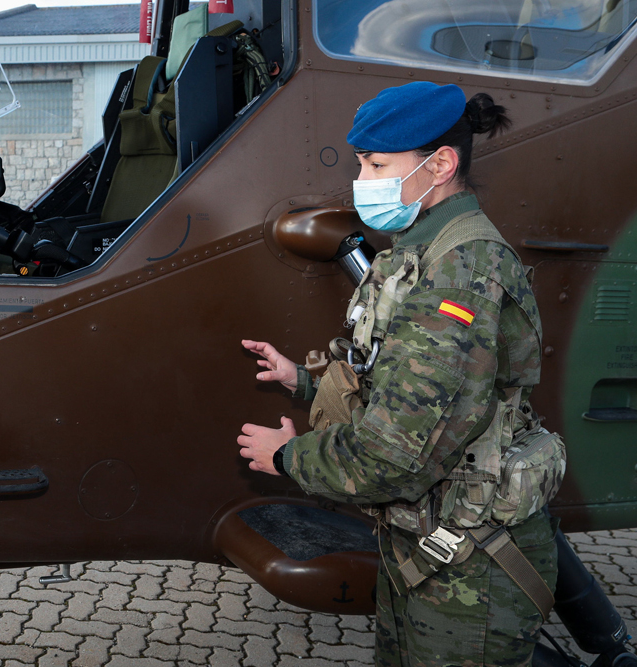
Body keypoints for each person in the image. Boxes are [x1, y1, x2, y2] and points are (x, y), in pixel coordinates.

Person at [237, 82, 561, 667]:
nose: (364, 179)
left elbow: (393, 454)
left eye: (379, 164)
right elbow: (414, 391)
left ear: (440, 164)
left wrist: (289, 456)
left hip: (471, 575)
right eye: (363, 162)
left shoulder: (460, 276)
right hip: (429, 553)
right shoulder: (417, 253)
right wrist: (304, 382)